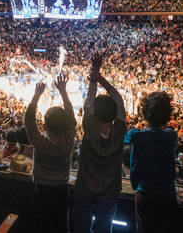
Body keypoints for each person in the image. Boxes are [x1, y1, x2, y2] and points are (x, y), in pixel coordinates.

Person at [74, 52, 126, 233]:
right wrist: (99, 77)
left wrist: (94, 75)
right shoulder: (119, 132)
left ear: (93, 114)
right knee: (104, 229)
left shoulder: (88, 126)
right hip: (109, 192)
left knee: (80, 227)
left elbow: (89, 99)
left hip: (84, 188)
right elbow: (118, 99)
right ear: (114, 116)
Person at [24, 75, 76, 233]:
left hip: (42, 189)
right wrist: (63, 92)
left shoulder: (40, 144)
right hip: (62, 189)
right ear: (66, 125)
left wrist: (37, 95)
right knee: (62, 224)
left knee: (44, 223)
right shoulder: (69, 142)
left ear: (44, 126)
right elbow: (72, 120)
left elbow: (28, 121)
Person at [130, 91, 177, 233]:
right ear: (167, 116)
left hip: (145, 195)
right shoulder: (171, 136)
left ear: (144, 113)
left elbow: (134, 173)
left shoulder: (137, 137)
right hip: (167, 196)